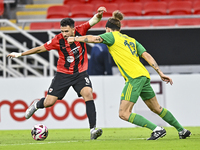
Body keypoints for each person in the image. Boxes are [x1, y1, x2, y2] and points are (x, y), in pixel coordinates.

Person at [67, 10, 191, 140]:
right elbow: (146, 55)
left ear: (108, 29)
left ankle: (157, 129)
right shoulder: (131, 40)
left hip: (134, 77)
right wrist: (160, 72)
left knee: (124, 113)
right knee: (156, 108)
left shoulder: (112, 36)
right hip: (144, 75)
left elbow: (93, 38)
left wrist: (74, 38)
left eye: (106, 30)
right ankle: (182, 130)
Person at [7, 6, 107, 140]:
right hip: (63, 74)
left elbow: (94, 20)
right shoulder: (58, 40)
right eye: (62, 31)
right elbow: (39, 49)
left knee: (88, 94)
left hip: (80, 74)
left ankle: (93, 129)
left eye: (66, 31)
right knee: (49, 102)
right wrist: (20, 54)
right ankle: (37, 104)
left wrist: (99, 15)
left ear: (73, 28)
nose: (64, 34)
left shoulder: (80, 30)